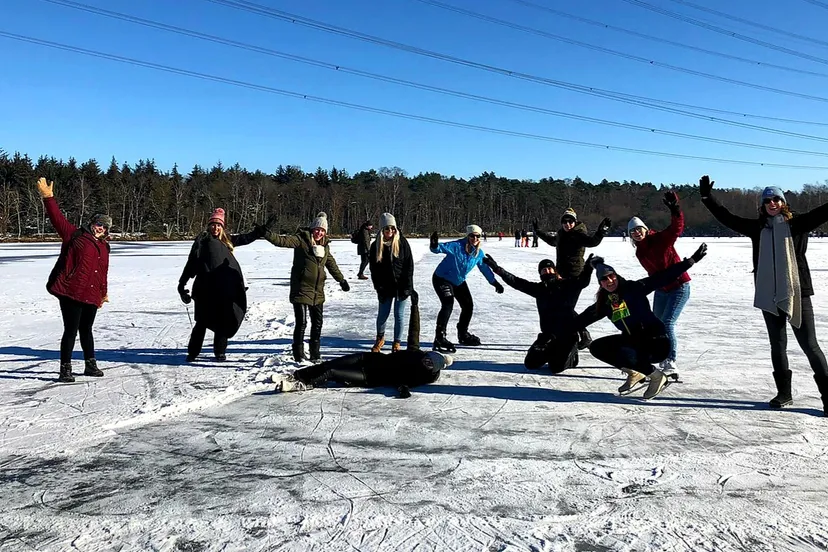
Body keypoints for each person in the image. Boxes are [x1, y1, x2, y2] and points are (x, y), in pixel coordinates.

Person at [700, 175, 828, 415]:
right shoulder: (757, 228)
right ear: (762, 204)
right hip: (769, 294)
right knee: (777, 346)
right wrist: (708, 198)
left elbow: (824, 211)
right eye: (768, 200)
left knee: (810, 345)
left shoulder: (798, 224)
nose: (772, 203)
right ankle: (784, 393)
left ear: (783, 202)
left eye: (777, 199)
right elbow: (727, 218)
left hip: (797, 292)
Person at [573, 246, 707, 400]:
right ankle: (634, 373)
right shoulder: (605, 303)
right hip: (634, 342)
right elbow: (582, 320)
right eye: (604, 279)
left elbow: (662, 277)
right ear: (600, 283)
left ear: (616, 275)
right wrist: (557, 331)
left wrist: (690, 261)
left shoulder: (634, 288)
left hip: (656, 342)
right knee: (597, 347)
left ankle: (657, 376)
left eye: (611, 276)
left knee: (625, 353)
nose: (609, 281)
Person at [37, 177, 110, 383]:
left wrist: (103, 292)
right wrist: (48, 198)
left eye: (104, 227)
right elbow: (57, 218)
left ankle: (90, 364)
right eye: (98, 224)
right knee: (70, 330)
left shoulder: (104, 247)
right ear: (92, 223)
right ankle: (65, 369)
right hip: (71, 292)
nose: (100, 229)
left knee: (86, 330)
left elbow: (102, 271)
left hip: (91, 293)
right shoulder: (74, 235)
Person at [178, 208, 266, 362]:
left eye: (218, 225)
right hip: (204, 290)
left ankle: (219, 352)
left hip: (222, 290)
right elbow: (191, 264)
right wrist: (181, 285)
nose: (215, 228)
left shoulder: (227, 240)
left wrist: (259, 232)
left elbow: (245, 238)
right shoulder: (202, 242)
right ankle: (193, 352)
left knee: (222, 321)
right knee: (201, 323)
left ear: (222, 227)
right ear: (208, 226)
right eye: (213, 224)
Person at [483, 253, 593, 373]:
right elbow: (516, 282)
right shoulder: (539, 289)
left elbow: (583, 282)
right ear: (540, 274)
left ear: (555, 270)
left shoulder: (567, 285)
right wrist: (497, 269)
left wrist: (588, 267)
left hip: (567, 335)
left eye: (550, 268)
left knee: (556, 367)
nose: (547, 271)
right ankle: (554, 352)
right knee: (531, 363)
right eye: (544, 270)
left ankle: (572, 355)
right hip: (548, 335)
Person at [264, 212, 350, 362]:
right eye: (317, 229)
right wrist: (266, 234)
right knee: (302, 323)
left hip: (318, 292)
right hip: (301, 289)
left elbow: (331, 264)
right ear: (312, 229)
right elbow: (282, 241)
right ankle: (298, 354)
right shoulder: (301, 241)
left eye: (322, 230)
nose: (319, 233)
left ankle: (315, 354)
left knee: (317, 324)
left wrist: (341, 280)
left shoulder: (324, 246)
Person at [627, 190, 690, 374]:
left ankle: (670, 361)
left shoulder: (660, 240)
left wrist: (675, 209)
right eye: (633, 232)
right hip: (661, 290)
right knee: (656, 324)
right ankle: (656, 355)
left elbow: (676, 228)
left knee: (668, 323)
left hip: (679, 286)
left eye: (639, 229)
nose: (637, 233)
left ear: (646, 229)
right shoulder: (640, 252)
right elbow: (653, 274)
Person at [534, 207, 611, 350]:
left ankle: (583, 334)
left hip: (575, 276)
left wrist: (601, 232)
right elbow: (552, 241)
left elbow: (593, 242)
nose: (567, 224)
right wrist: (538, 232)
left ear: (575, 222)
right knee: (565, 307)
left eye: (570, 221)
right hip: (561, 275)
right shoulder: (561, 234)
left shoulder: (578, 234)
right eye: (565, 221)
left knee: (566, 307)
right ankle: (580, 333)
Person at [430, 224, 504, 352]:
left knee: (468, 305)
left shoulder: (478, 254)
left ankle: (463, 334)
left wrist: (494, 282)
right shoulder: (456, 246)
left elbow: (484, 269)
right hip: (442, 279)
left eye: (477, 236)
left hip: (458, 281)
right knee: (448, 303)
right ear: (467, 236)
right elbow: (439, 249)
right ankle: (440, 336)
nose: (474, 238)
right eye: (472, 236)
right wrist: (434, 244)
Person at [275, 349, 453, 398]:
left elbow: (405, 382)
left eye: (430, 364)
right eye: (428, 358)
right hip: (368, 359)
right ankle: (297, 375)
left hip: (369, 377)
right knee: (331, 363)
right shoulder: (417, 354)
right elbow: (414, 329)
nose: (426, 362)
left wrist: (403, 389)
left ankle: (300, 385)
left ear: (433, 369)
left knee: (332, 371)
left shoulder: (423, 376)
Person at [368, 213, 414, 352]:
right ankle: (380, 339)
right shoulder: (375, 246)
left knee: (399, 315)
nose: (390, 232)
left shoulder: (402, 243)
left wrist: (408, 287)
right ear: (382, 230)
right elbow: (374, 270)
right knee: (383, 314)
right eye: (387, 229)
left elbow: (409, 266)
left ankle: (397, 343)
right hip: (385, 287)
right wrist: (378, 288)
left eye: (393, 229)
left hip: (401, 286)